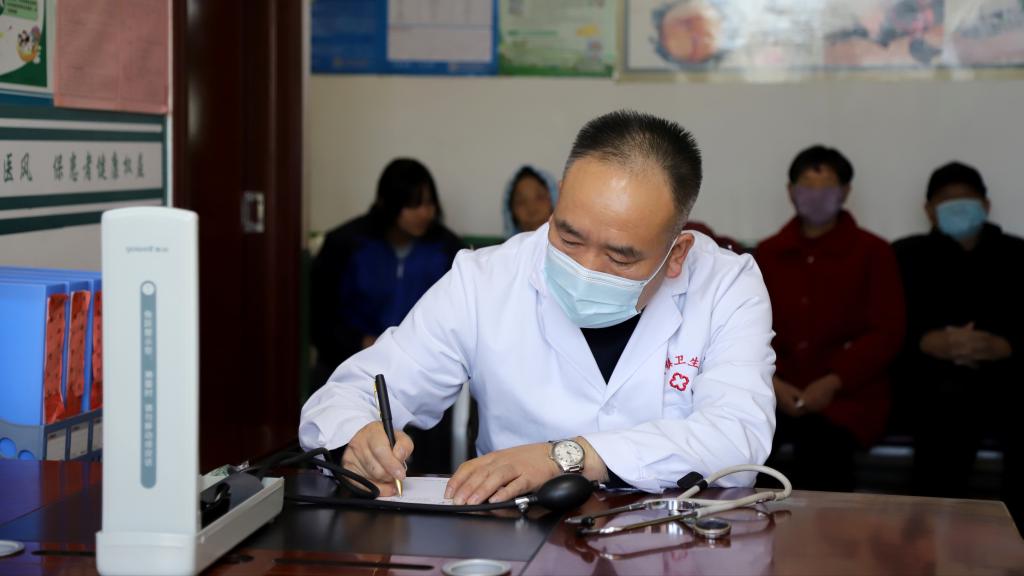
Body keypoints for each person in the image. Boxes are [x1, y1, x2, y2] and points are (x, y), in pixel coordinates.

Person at [300, 110, 776, 504]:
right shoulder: (484, 280)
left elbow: (737, 439)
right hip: (513, 534)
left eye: (619, 257)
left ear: (676, 254)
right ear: (557, 202)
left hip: (674, 540)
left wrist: (564, 457)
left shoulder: (726, 285)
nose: (585, 269)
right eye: (568, 237)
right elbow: (352, 392)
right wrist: (357, 439)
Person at [756, 145, 905, 492]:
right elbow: (747, 329)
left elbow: (887, 332)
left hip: (847, 398)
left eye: (827, 188)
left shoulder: (874, 252)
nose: (816, 196)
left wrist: (833, 381)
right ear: (791, 191)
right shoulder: (768, 253)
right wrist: (772, 384)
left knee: (823, 454)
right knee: (748, 454)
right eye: (807, 187)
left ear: (846, 192)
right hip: (774, 392)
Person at [310, 158, 464, 471]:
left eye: (429, 203)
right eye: (413, 204)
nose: (424, 213)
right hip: (351, 359)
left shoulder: (447, 249)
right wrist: (362, 342)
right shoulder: (345, 244)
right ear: (389, 203)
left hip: (424, 368)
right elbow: (321, 319)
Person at [892, 161, 1021, 530]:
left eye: (967, 199)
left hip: (1006, 380)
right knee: (944, 414)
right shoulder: (905, 255)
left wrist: (1006, 346)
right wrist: (924, 341)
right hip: (930, 383)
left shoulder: (1016, 254)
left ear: (986, 205)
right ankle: (928, 542)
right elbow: (885, 325)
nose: (959, 207)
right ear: (929, 209)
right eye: (948, 200)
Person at [503, 165, 558, 238]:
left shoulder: (571, 243)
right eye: (521, 202)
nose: (532, 210)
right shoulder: (503, 246)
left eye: (540, 197)